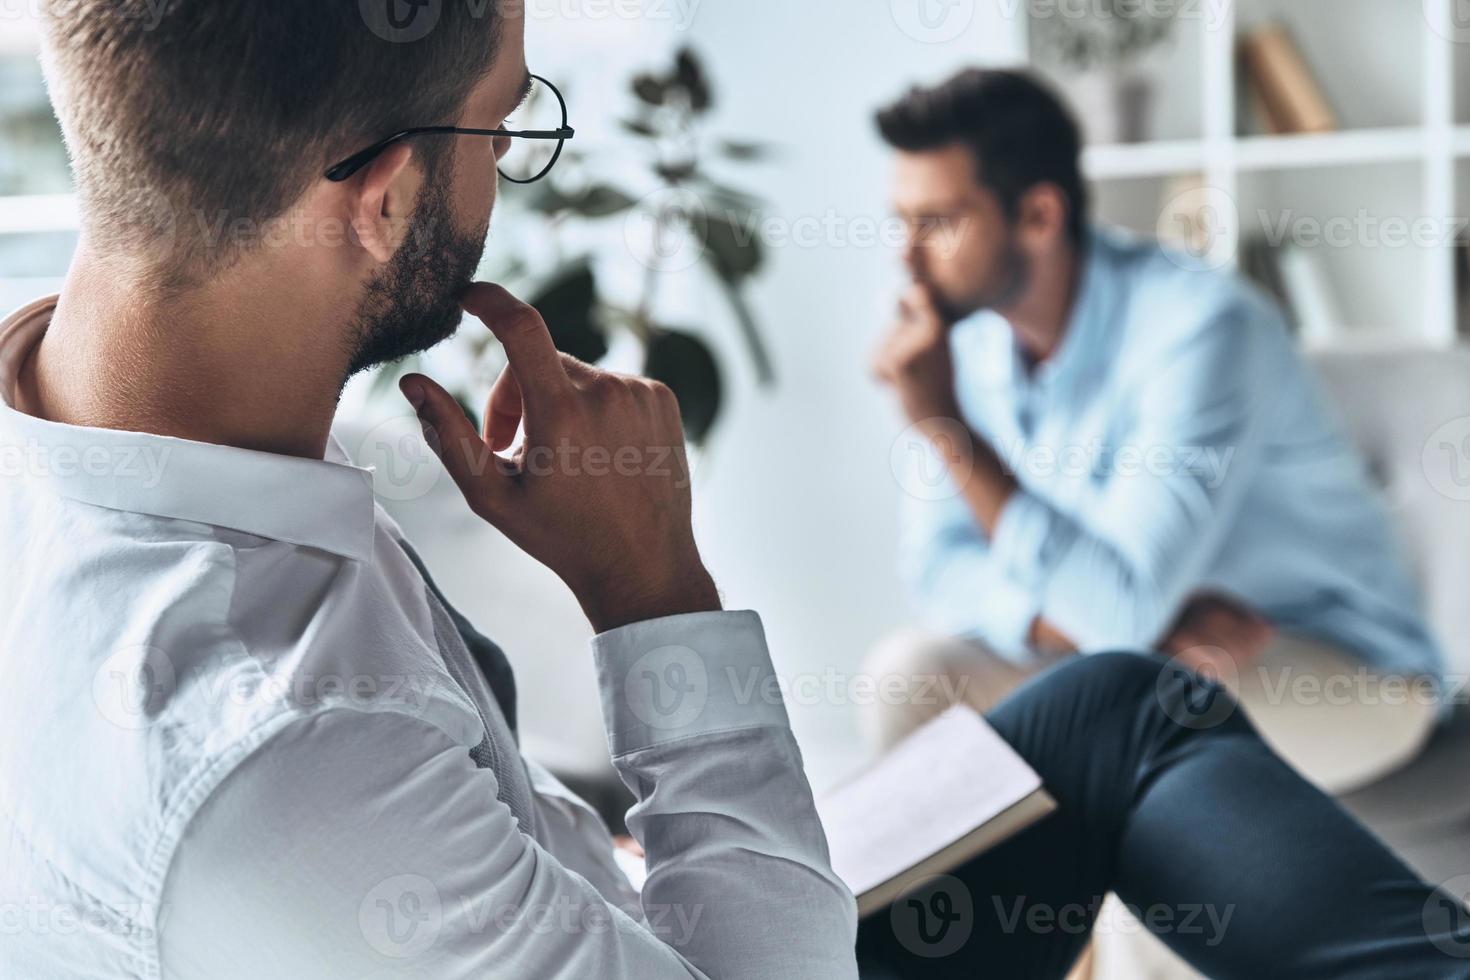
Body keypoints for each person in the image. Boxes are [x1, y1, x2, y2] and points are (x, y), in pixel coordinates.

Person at [1, 6, 1465, 979]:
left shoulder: (152, 449)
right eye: (502, 126)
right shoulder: (283, 764)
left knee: (1109, 700)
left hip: (1339, 671)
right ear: (380, 194)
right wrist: (652, 594)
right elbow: (986, 584)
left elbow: (1067, 600)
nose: (507, 165)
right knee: (1094, 686)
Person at [867, 68, 1444, 796]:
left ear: (1039, 216)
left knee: (1122, 710)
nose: (906, 256)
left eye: (938, 222)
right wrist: (1078, 629)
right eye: (902, 220)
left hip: (1332, 665)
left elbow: (1120, 612)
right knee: (909, 677)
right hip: (1156, 648)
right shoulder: (969, 345)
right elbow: (938, 572)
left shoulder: (1199, 328)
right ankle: (968, 912)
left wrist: (949, 433)